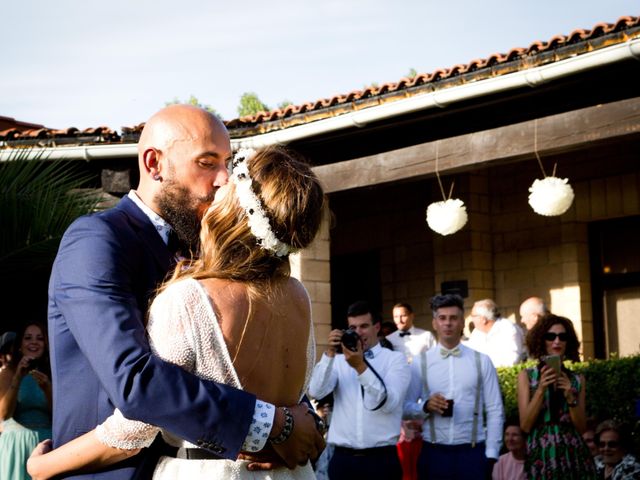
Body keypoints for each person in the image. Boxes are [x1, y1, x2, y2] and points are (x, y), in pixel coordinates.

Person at [43, 106, 323, 479]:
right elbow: (137, 379)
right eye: (207, 162)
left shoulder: (209, 249)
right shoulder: (98, 240)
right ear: (154, 162)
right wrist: (272, 425)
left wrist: (291, 421)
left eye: (227, 162)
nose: (224, 178)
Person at [404, 294, 504, 480]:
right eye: (442, 318)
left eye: (453, 318)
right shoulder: (420, 362)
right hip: (433, 452)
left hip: (472, 452)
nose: (447, 323)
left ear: (462, 323)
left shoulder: (481, 361)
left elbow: (495, 410)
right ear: (434, 323)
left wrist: (491, 454)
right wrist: (425, 406)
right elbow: (405, 407)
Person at [308, 300, 411, 480]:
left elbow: (389, 403)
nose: (358, 332)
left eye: (364, 326)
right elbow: (316, 391)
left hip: (382, 460)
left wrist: (360, 367)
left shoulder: (395, 360)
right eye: (352, 327)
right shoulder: (339, 361)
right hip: (343, 460)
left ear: (377, 327)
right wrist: (329, 354)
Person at [517, 314, 596, 479]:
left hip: (572, 452)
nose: (557, 341)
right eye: (551, 336)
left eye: (563, 336)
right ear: (541, 340)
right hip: (541, 451)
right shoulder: (527, 376)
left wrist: (570, 397)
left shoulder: (577, 379)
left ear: (569, 342)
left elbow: (582, 428)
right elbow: (525, 425)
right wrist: (540, 389)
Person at [385, 303, 435, 480]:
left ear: (412, 315)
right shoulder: (389, 339)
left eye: (403, 315)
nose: (399, 319)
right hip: (399, 389)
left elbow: (433, 364)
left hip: (421, 389)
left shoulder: (426, 336)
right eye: (396, 316)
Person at [0, 322, 52, 480]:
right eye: (28, 338)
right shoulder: (7, 372)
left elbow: (61, 416)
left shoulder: (53, 373)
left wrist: (47, 388)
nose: (34, 342)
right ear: (20, 345)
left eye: (40, 338)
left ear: (46, 344)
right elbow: (3, 414)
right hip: (15, 445)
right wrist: (18, 376)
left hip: (45, 445)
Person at [465, 299, 524, 367]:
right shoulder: (477, 332)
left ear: (483, 319)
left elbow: (513, 360)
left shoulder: (508, 329)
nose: (471, 319)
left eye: (473, 316)